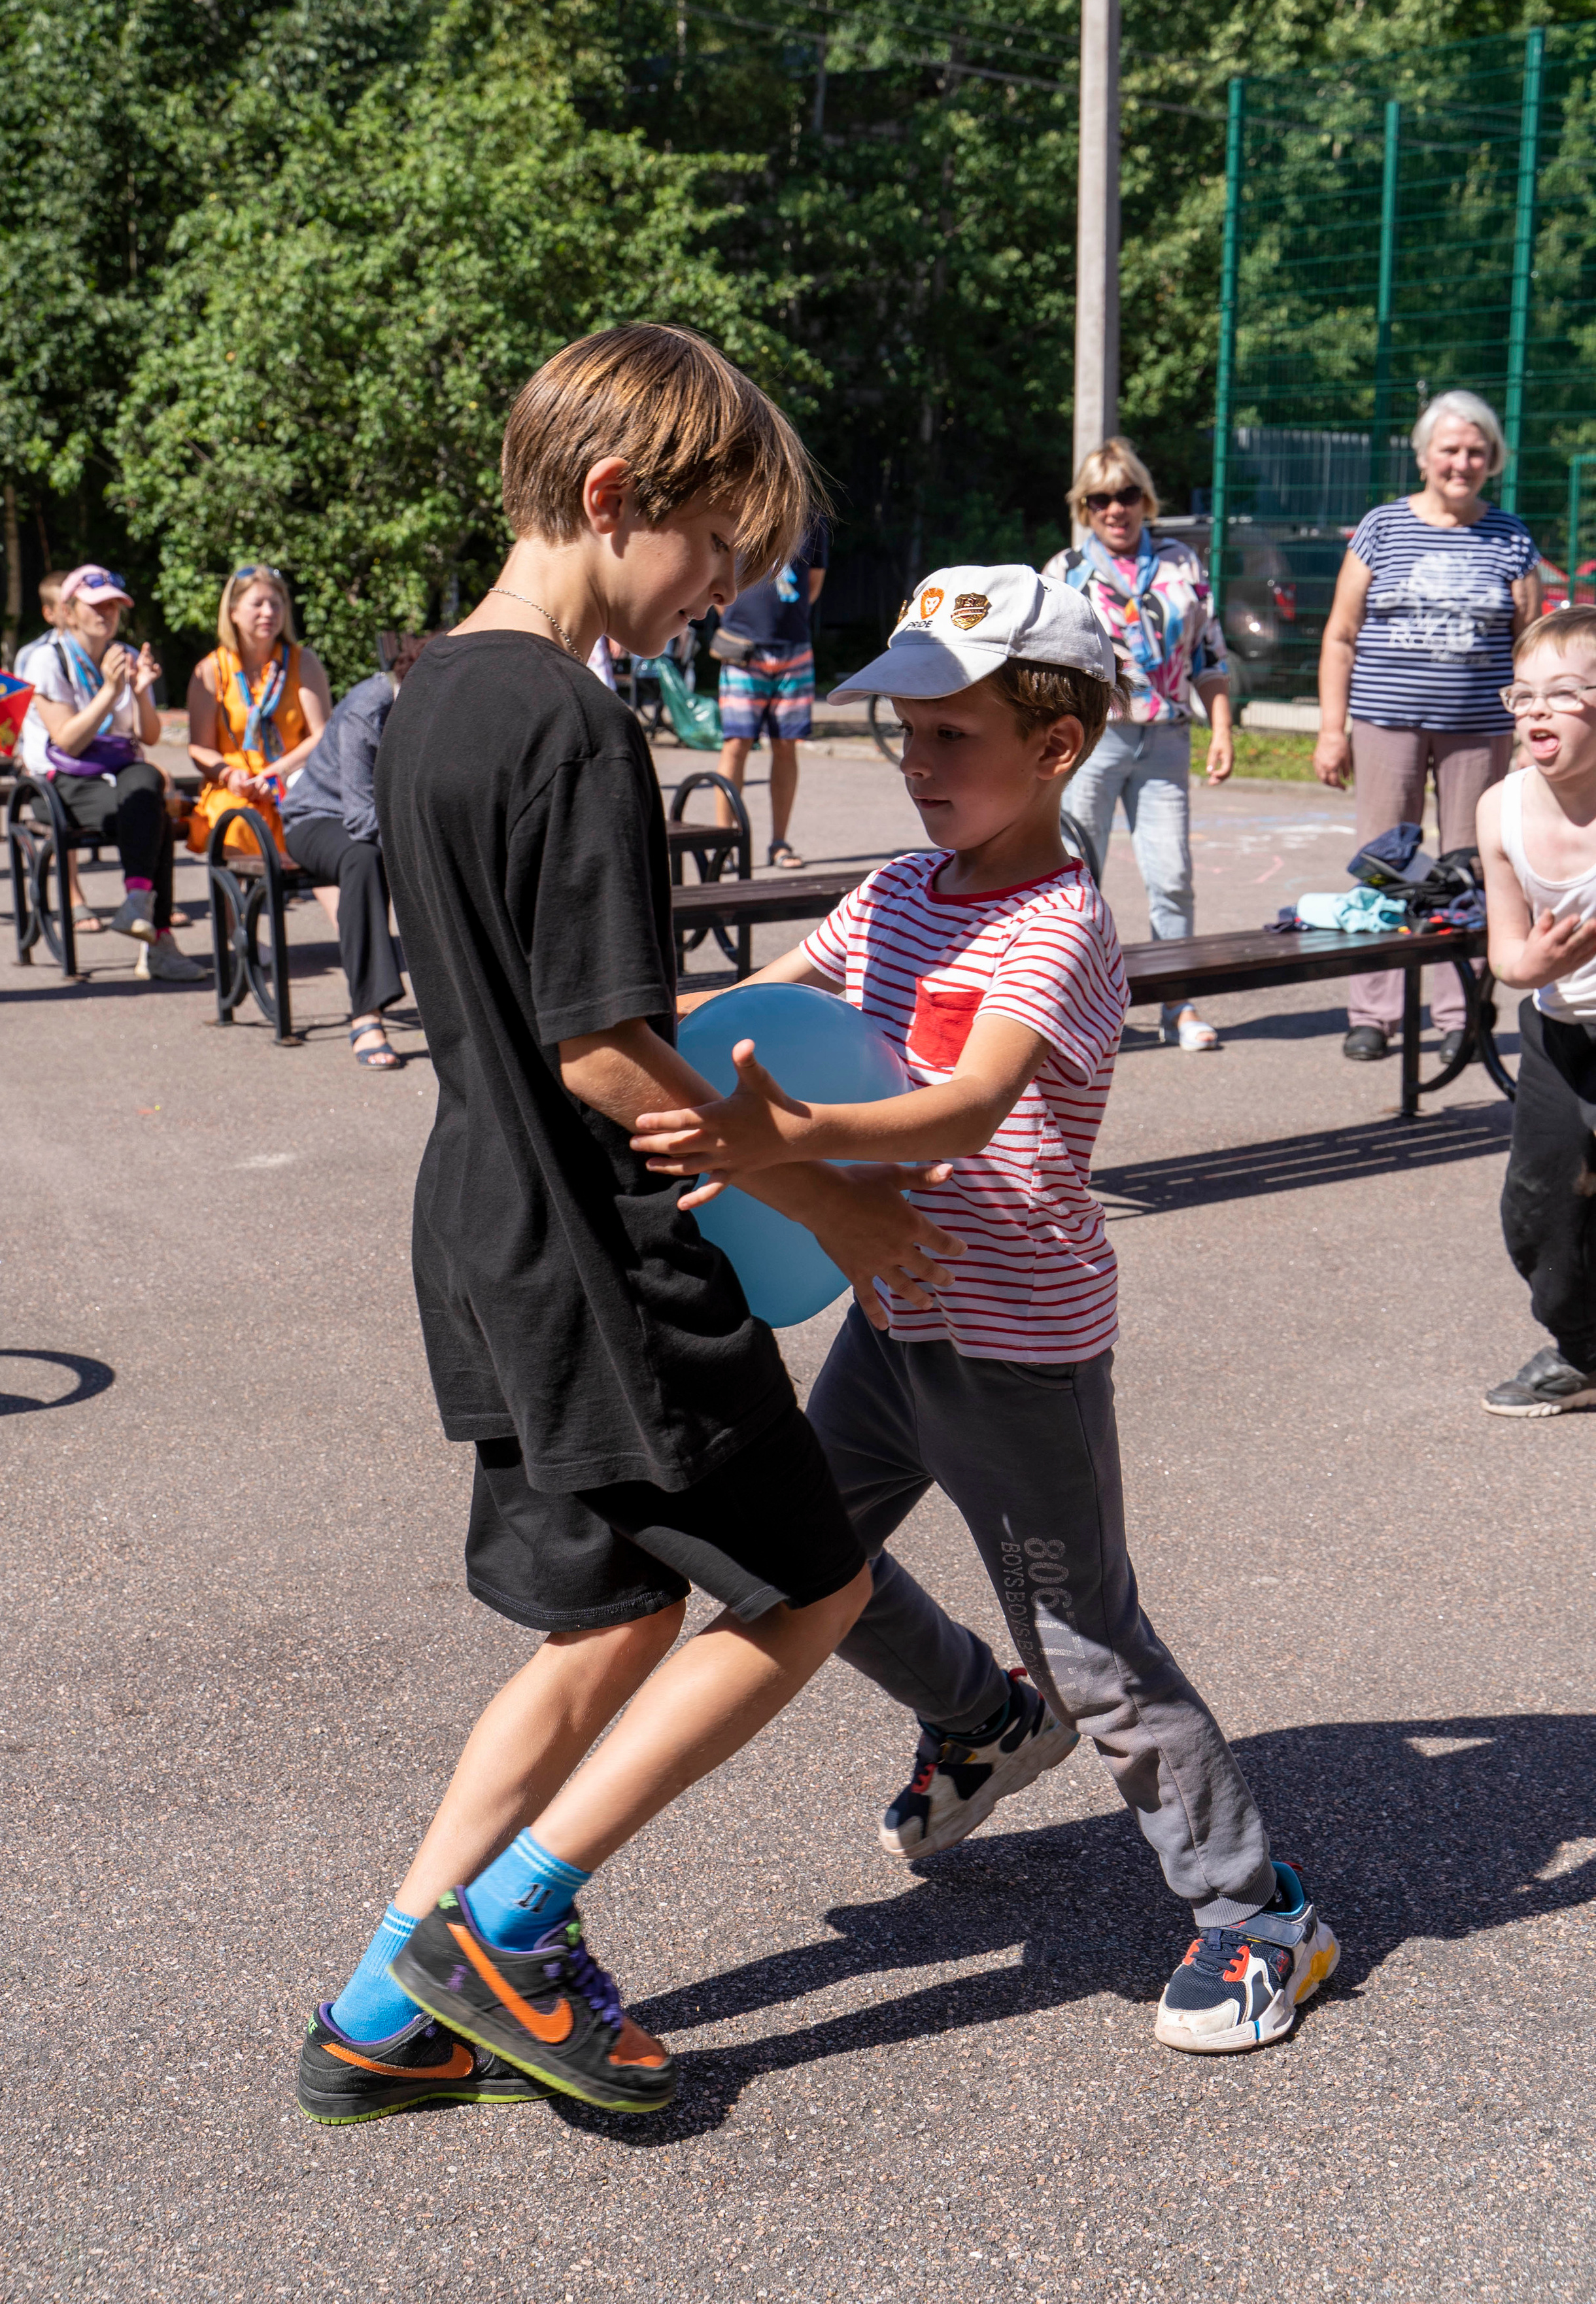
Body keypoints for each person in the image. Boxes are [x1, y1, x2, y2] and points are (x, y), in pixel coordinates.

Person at [296, 323, 962, 2128]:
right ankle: (508, 1932)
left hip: (484, 1236)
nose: (722, 601)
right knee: (807, 1587)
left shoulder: (429, 690)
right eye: (715, 559)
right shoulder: (577, 723)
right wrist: (835, 1200)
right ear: (615, 501)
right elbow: (602, 1050)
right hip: (600, 1255)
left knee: (596, 1626)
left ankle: (384, 2005)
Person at [634, 561, 1338, 2055]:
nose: (917, 761)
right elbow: (759, 1003)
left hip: (1014, 1343)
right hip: (889, 1317)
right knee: (792, 1551)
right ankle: (972, 1714)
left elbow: (963, 1103)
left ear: (1056, 745)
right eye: (905, 731)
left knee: (1088, 1639)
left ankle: (1258, 1909)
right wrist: (627, 1053)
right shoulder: (893, 891)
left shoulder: (1056, 923)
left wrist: (783, 1138)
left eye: (952, 735)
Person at [1314, 388, 1540, 1064]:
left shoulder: (1510, 537)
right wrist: (1333, 728)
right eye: (1449, 449)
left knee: (1467, 870)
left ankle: (1457, 1014)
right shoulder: (1382, 526)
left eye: (1475, 451)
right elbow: (1341, 635)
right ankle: (1375, 1013)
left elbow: (1531, 646)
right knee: (1385, 863)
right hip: (1386, 724)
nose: (1461, 462)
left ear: (1491, 460)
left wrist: (1529, 737)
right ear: (1423, 457)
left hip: (1479, 729)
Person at [1044, 439, 1234, 1052]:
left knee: (1172, 875)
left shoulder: (1182, 564)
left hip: (1167, 738)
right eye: (1100, 499)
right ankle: (1080, 1009)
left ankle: (1177, 1004)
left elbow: (1209, 652)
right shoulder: (1066, 571)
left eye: (1126, 495)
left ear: (1145, 499)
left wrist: (1223, 727)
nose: (1115, 509)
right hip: (1091, 741)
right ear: (1085, 507)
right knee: (1076, 877)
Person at [1476, 606, 1596, 1414]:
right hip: (1557, 1033)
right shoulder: (1500, 808)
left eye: (1562, 693)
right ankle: (1582, 1351)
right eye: (1522, 696)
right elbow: (1508, 955)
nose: (1536, 710)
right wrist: (1539, 965)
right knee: (1538, 1208)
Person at [18, 565, 203, 983]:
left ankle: (137, 903)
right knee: (149, 808)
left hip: (120, 774)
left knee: (148, 783)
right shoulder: (46, 659)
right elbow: (68, 741)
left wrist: (139, 692)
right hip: (61, 780)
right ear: (68, 611)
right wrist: (108, 690)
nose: (108, 613)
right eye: (96, 605)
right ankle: (160, 941)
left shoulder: (127, 655)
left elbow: (149, 736)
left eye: (115, 605)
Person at [280, 633, 425, 1069]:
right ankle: (367, 1014)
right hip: (314, 817)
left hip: (370, 824)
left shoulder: (430, 708)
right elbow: (362, 819)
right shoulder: (370, 708)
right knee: (363, 855)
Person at [186, 565, 330, 861]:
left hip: (291, 782)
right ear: (233, 612)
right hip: (236, 787)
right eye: (258, 604)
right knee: (234, 824)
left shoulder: (303, 663)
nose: (268, 613)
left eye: (276, 605)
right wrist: (229, 775)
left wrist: (278, 773)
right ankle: (237, 909)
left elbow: (323, 734)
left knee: (327, 830)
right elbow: (200, 748)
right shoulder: (211, 671)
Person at [713, 517, 828, 867]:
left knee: (786, 745)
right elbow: (717, 575)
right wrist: (735, 620)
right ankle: (723, 842)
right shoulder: (740, 508)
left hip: (794, 647)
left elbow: (813, 584)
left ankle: (779, 843)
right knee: (736, 744)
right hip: (743, 648)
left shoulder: (811, 519)